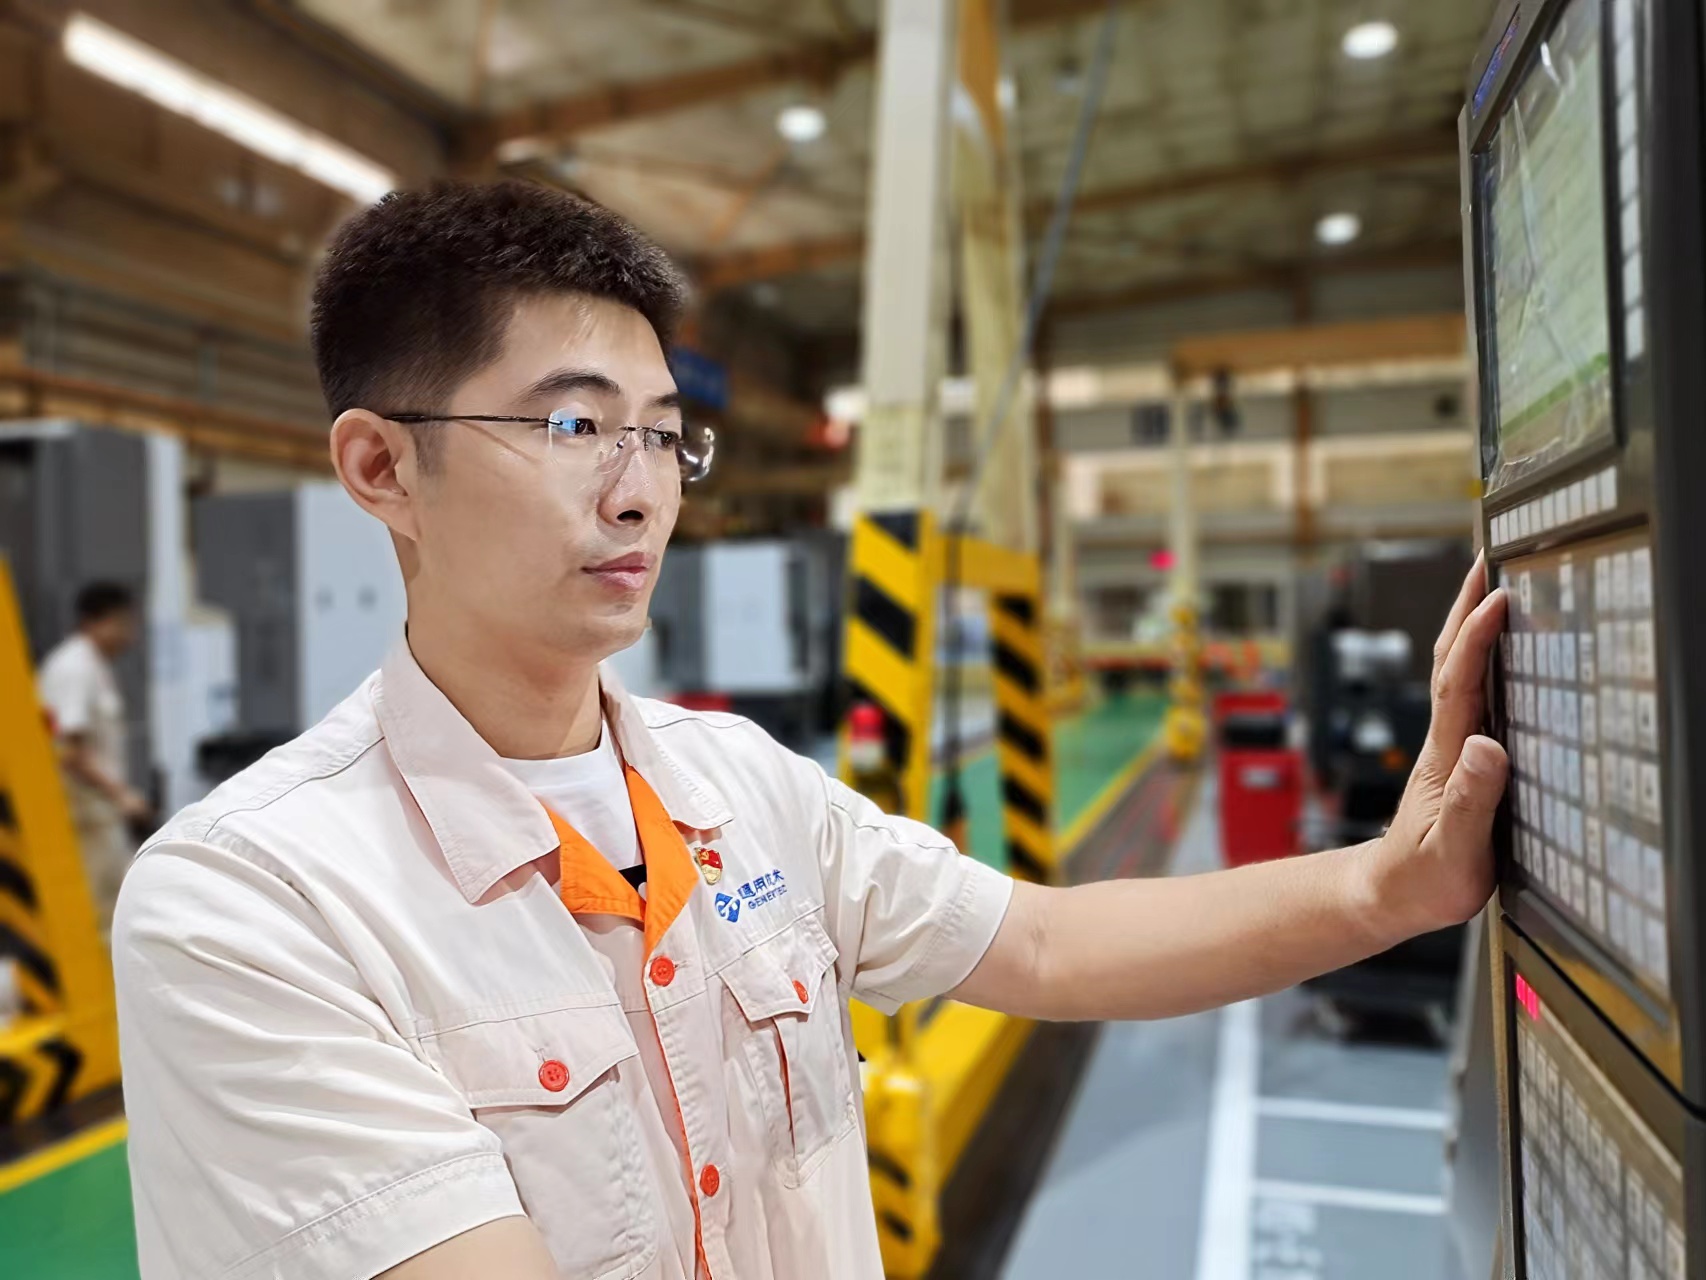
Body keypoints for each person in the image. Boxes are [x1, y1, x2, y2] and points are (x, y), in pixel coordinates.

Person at [111, 181, 1509, 1280]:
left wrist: (1386, 886)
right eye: (575, 427)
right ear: (380, 467)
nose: (640, 490)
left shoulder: (737, 788)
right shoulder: (255, 905)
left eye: (663, 434)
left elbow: (1039, 943)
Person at [38, 580, 148, 934]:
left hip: (98, 811)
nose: (130, 636)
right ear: (101, 621)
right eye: (125, 624)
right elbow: (69, 751)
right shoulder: (74, 667)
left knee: (115, 903)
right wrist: (121, 795)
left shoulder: (92, 664)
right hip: (86, 812)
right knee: (102, 909)